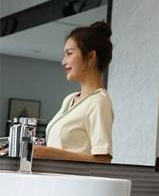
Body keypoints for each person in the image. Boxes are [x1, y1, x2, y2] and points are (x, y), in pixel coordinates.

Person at [35, 21, 114, 163]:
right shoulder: (70, 99)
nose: (63, 62)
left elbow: (103, 160)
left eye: (69, 54)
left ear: (91, 56)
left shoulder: (99, 101)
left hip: (73, 178)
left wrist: (47, 153)